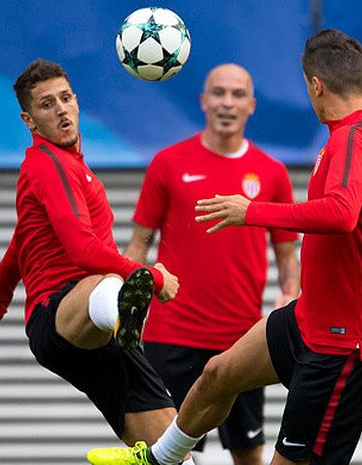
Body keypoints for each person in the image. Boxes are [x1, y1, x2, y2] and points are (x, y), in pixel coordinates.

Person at [87, 28, 362, 465]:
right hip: (309, 317)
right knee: (218, 374)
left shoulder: (350, 141)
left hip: (343, 346)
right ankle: (161, 458)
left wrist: (251, 211)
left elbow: (340, 213)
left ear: (316, 86)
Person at [0, 59, 187, 454]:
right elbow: (82, 250)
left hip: (94, 334)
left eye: (65, 98)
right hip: (59, 314)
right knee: (107, 282)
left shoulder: (71, 166)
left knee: (169, 450)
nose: (61, 109)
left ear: (77, 101)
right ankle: (123, 311)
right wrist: (152, 278)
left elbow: (20, 242)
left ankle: (122, 317)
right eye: (47, 104)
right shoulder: (48, 165)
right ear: (29, 120)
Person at [122, 63, 300, 465]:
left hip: (242, 341)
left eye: (238, 95)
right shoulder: (167, 163)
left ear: (251, 106)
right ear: (203, 101)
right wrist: (124, 304)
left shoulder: (272, 174)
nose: (227, 102)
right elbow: (139, 243)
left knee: (249, 453)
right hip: (171, 340)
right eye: (218, 93)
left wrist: (289, 294)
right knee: (168, 457)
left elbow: (288, 256)